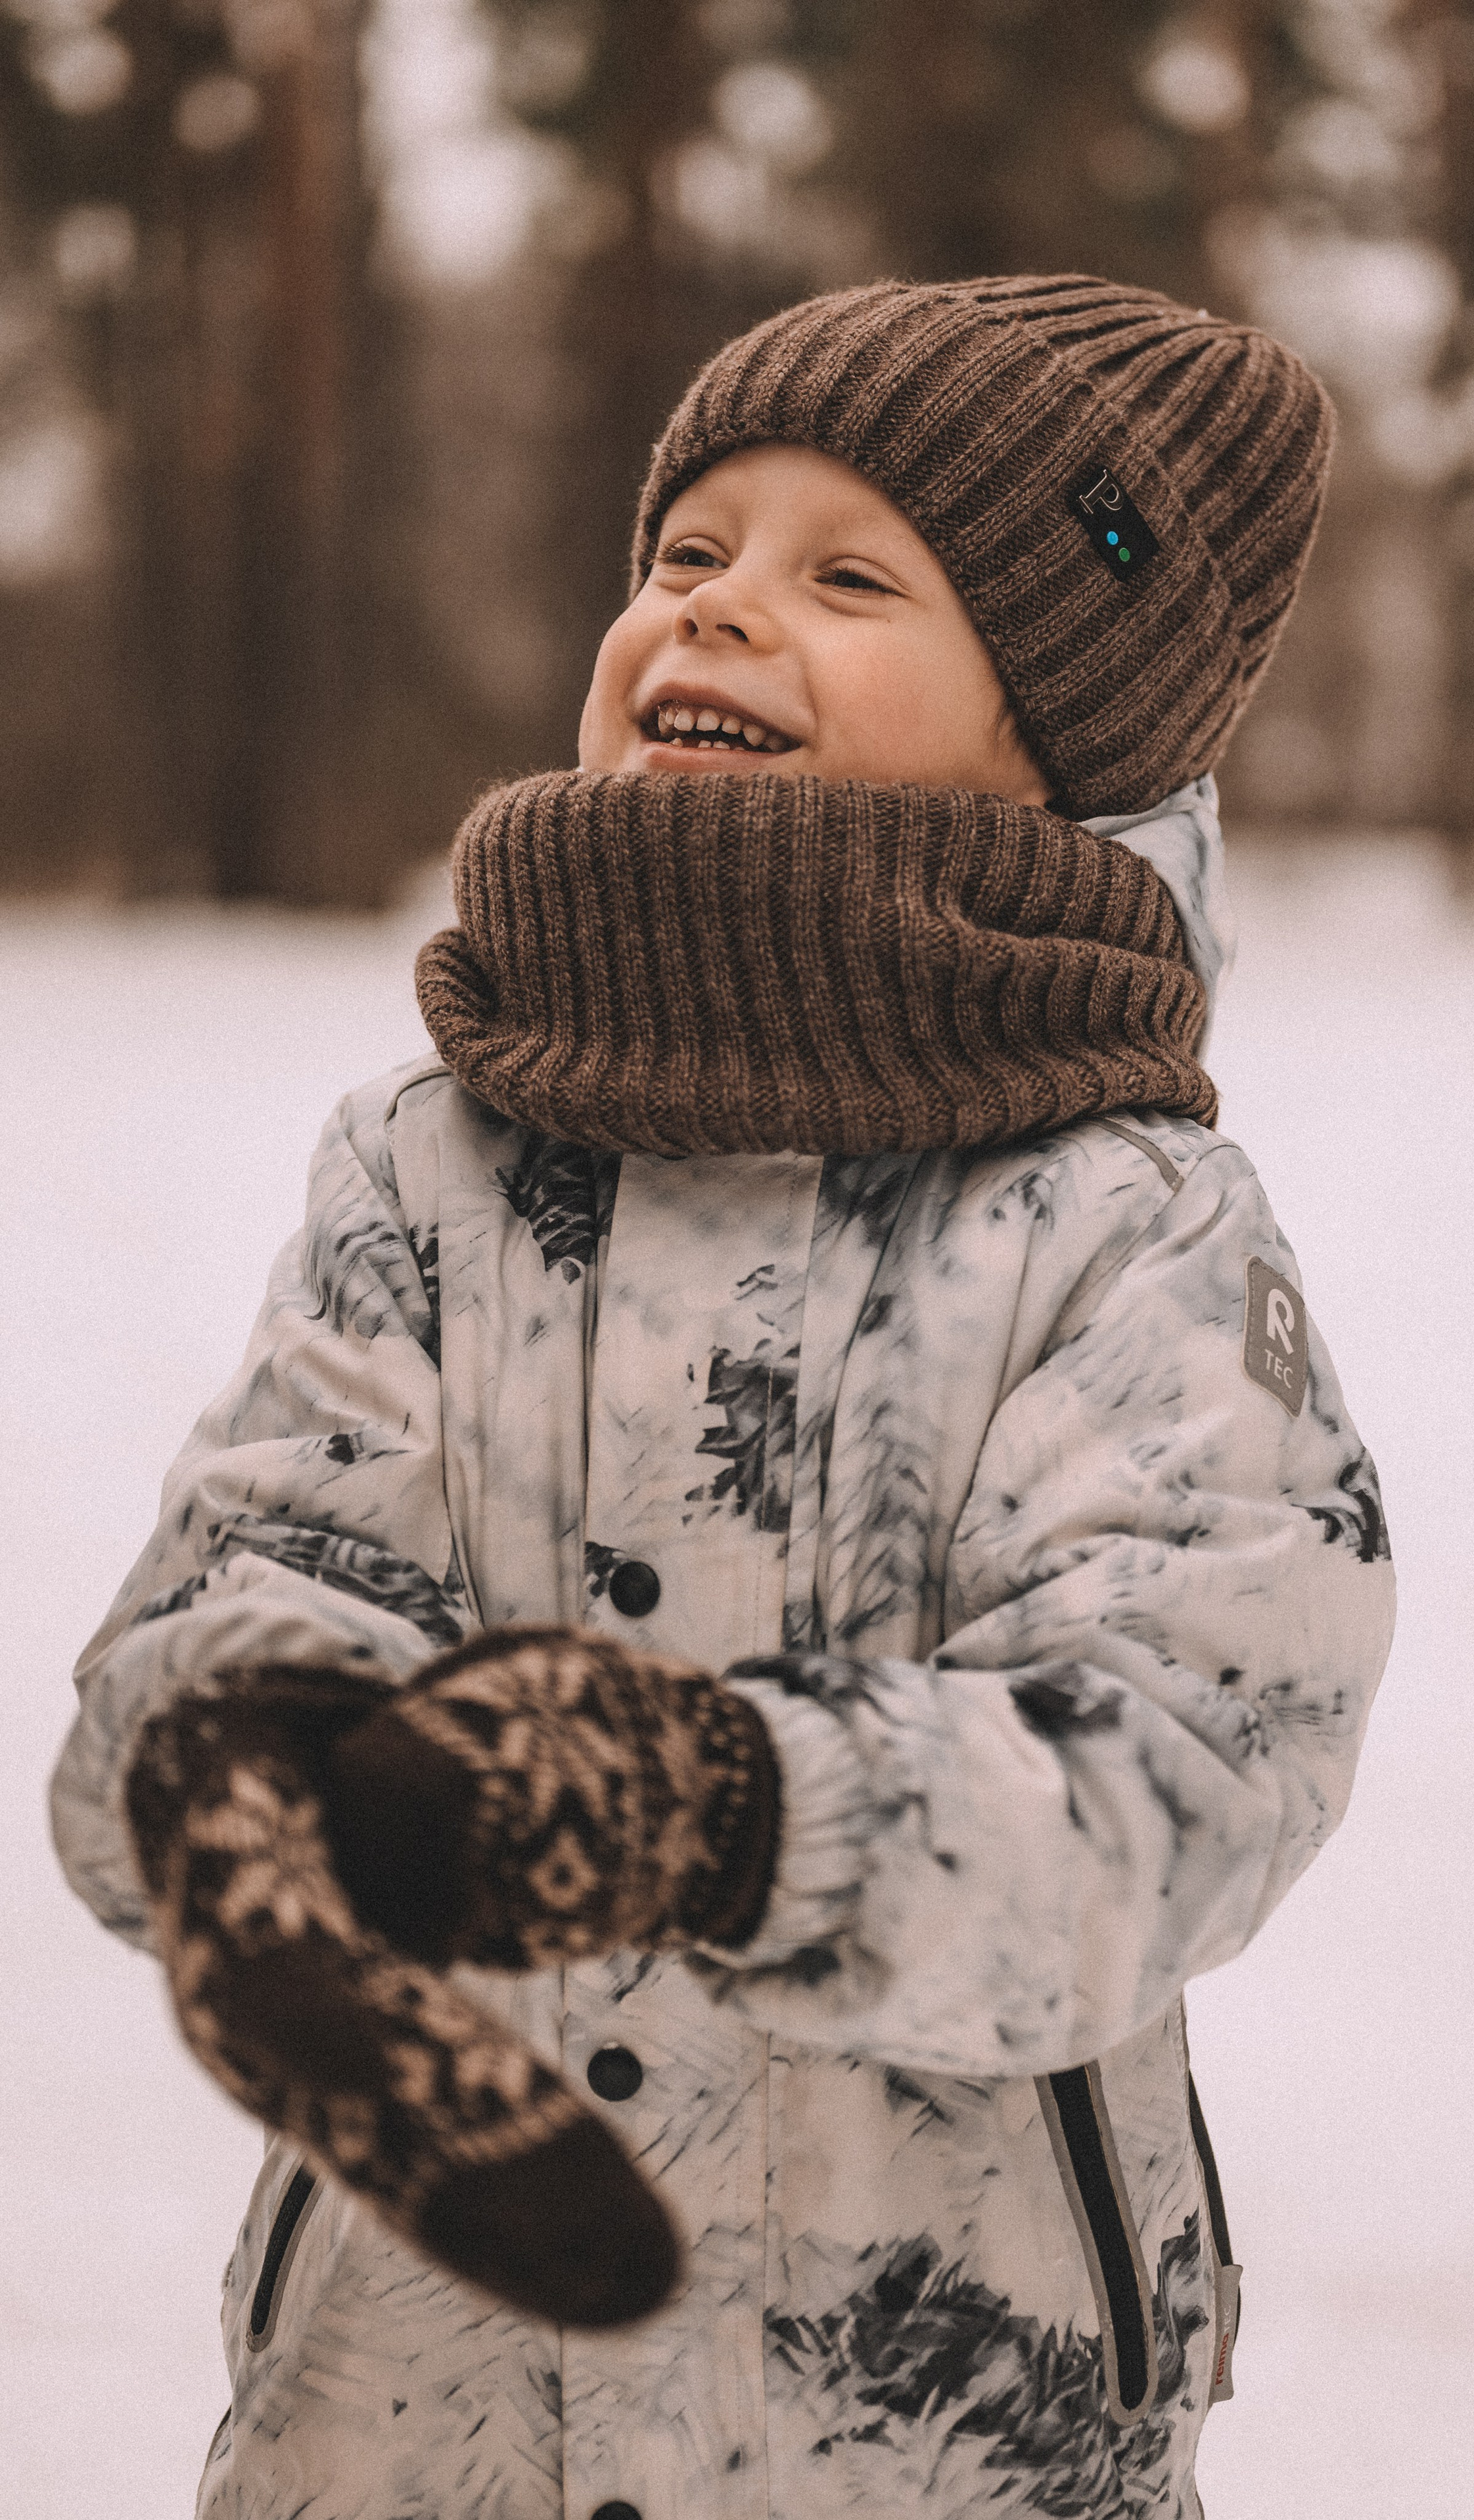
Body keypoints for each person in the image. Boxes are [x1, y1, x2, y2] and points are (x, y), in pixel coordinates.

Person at [53, 275, 1395, 2520]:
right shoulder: (435, 1163)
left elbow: (1190, 1747)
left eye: (851, 578)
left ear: (1050, 753)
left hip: (936, 2436)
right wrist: (238, 1774)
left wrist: (733, 1806)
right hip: (412, 2430)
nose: (720, 606)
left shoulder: (1118, 1221)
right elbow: (264, 1557)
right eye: (688, 550)